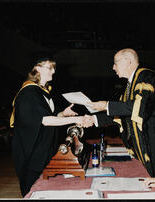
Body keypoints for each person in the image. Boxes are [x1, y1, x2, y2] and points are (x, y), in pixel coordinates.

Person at [87, 48, 155, 183]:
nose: (113, 67)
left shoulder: (146, 77)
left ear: (128, 61)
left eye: (116, 63)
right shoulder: (130, 85)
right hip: (145, 143)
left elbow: (139, 108)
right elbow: (120, 113)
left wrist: (106, 105)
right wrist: (92, 119)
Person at [10, 58, 93, 197]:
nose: (54, 71)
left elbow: (50, 117)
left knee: (46, 190)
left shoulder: (42, 92)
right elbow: (45, 120)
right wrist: (77, 119)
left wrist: (63, 114)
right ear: (37, 68)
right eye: (50, 68)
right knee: (33, 191)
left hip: (45, 149)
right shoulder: (29, 92)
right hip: (32, 152)